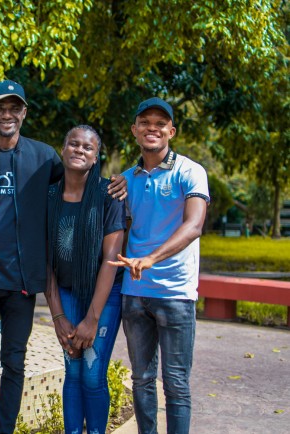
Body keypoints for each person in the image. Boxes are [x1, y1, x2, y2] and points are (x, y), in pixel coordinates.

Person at [0, 80, 127, 433]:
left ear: (24, 113)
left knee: (14, 363)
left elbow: (77, 182)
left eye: (14, 108)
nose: (7, 114)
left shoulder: (44, 156)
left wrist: (116, 182)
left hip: (22, 281)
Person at [109, 97, 209, 434]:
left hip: (176, 293)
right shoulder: (126, 180)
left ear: (171, 131)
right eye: (145, 123)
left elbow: (194, 226)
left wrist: (151, 259)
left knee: (176, 383)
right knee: (141, 379)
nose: (152, 128)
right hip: (135, 294)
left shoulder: (190, 172)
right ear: (135, 130)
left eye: (160, 123)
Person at [45, 125, 126, 434]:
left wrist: (92, 319)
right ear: (63, 149)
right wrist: (58, 316)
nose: (79, 150)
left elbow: (111, 259)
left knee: (92, 374)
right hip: (65, 291)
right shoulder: (48, 195)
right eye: (73, 144)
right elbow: (45, 260)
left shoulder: (109, 195)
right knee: (73, 371)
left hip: (104, 294)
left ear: (95, 157)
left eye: (87, 147)